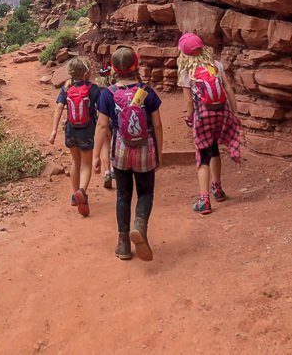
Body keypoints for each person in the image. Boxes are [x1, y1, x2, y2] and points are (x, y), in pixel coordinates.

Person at [93, 46, 163, 262]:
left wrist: (96, 155)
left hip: (121, 151)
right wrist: (159, 154)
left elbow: (103, 126)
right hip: (144, 150)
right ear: (136, 66)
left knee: (123, 195)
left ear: (113, 69)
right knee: (145, 193)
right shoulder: (147, 92)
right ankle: (139, 225)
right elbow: (157, 126)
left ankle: (123, 244)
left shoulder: (108, 94)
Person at [177, 33, 240, 215]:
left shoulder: (186, 71)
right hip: (222, 112)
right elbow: (228, 88)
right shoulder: (216, 65)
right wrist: (235, 113)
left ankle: (204, 200)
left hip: (203, 114)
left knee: (203, 154)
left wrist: (190, 118)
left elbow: (189, 102)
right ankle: (218, 189)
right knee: (214, 149)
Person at [49, 56, 101, 217]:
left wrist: (53, 131)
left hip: (71, 130)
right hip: (87, 130)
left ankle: (74, 195)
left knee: (75, 162)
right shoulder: (93, 89)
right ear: (86, 73)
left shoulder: (66, 88)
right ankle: (82, 192)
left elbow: (58, 109)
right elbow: (101, 110)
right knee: (86, 164)